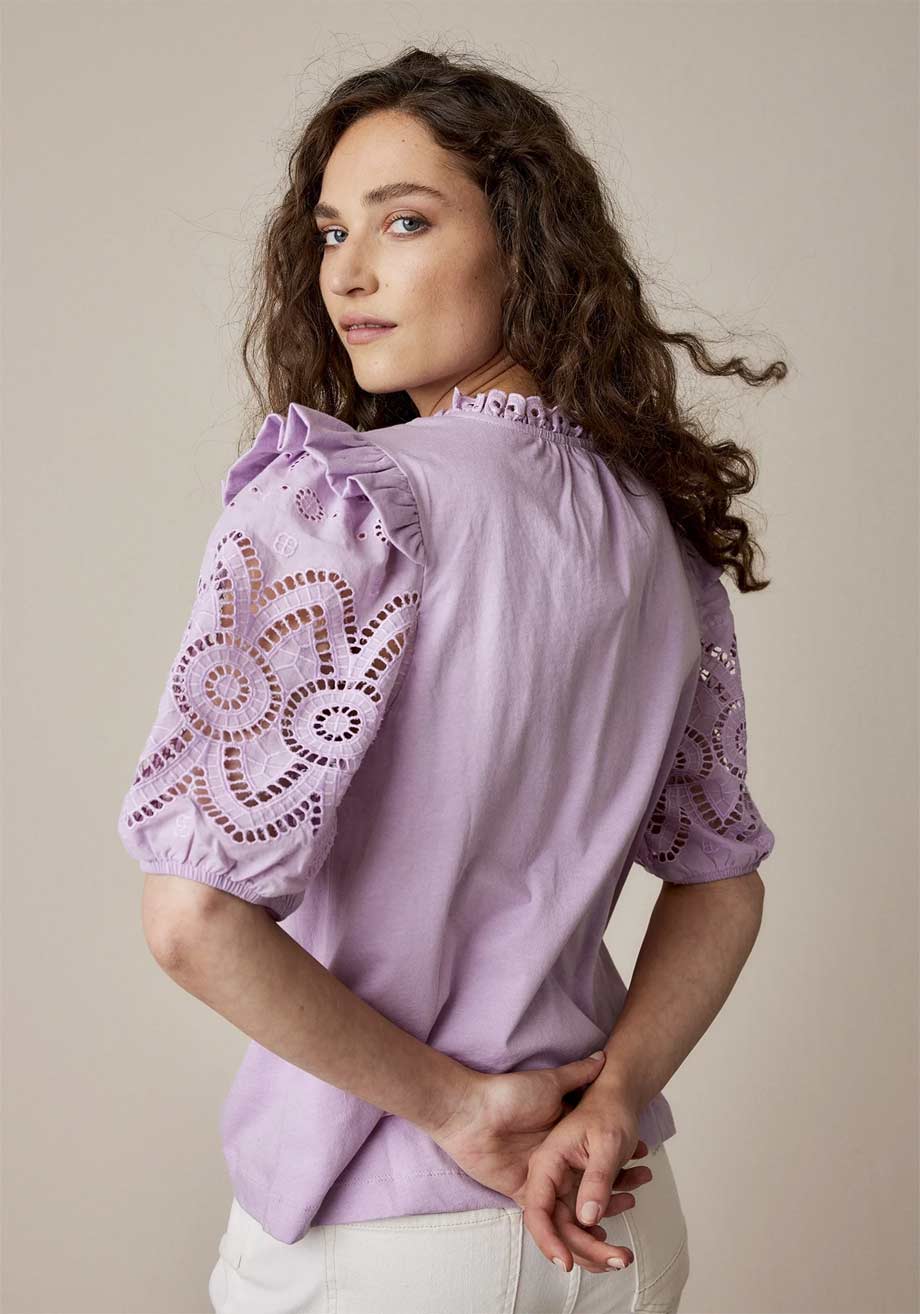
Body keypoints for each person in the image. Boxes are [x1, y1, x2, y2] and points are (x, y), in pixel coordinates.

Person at [116, 44, 782, 1314]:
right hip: (611, 1218)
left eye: (405, 222)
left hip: (389, 1236)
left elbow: (190, 919)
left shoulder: (342, 503)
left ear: (523, 247)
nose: (346, 274)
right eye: (330, 232)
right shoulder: (657, 536)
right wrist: (617, 1098)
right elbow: (721, 882)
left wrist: (459, 1109)